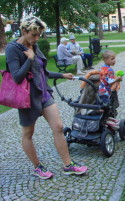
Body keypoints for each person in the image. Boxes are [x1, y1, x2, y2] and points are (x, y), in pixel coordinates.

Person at [5, 16, 88, 179]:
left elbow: (42, 71)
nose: (36, 39)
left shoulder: (34, 46)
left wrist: (62, 74)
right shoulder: (12, 48)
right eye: (33, 35)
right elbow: (16, 77)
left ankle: (68, 165)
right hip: (27, 98)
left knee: (58, 127)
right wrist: (29, 58)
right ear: (23, 31)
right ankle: (38, 167)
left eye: (39, 35)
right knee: (28, 133)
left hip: (43, 94)